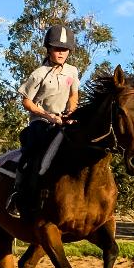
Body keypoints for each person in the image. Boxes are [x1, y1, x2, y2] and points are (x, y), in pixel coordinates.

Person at [7, 24, 80, 217]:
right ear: (48, 49)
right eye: (57, 48)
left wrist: (70, 111)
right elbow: (26, 101)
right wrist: (47, 116)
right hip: (40, 121)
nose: (61, 53)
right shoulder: (38, 74)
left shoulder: (72, 72)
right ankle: (17, 194)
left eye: (65, 49)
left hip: (64, 120)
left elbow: (74, 95)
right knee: (32, 151)